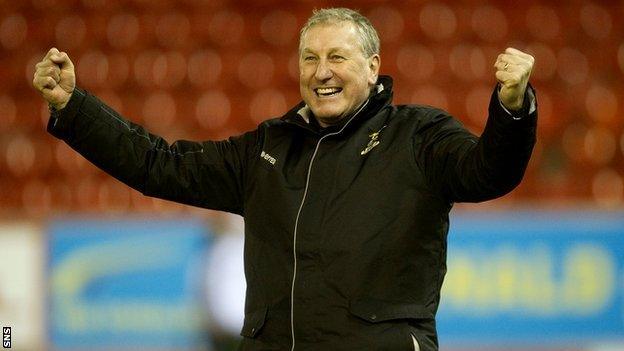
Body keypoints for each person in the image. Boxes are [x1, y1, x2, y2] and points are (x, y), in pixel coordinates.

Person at [33, 7, 536, 351]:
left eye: (337, 57)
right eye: (309, 59)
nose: (321, 72)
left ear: (372, 66)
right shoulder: (267, 149)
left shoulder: (419, 135)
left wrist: (511, 111)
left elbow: (488, 173)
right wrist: (74, 108)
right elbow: (157, 164)